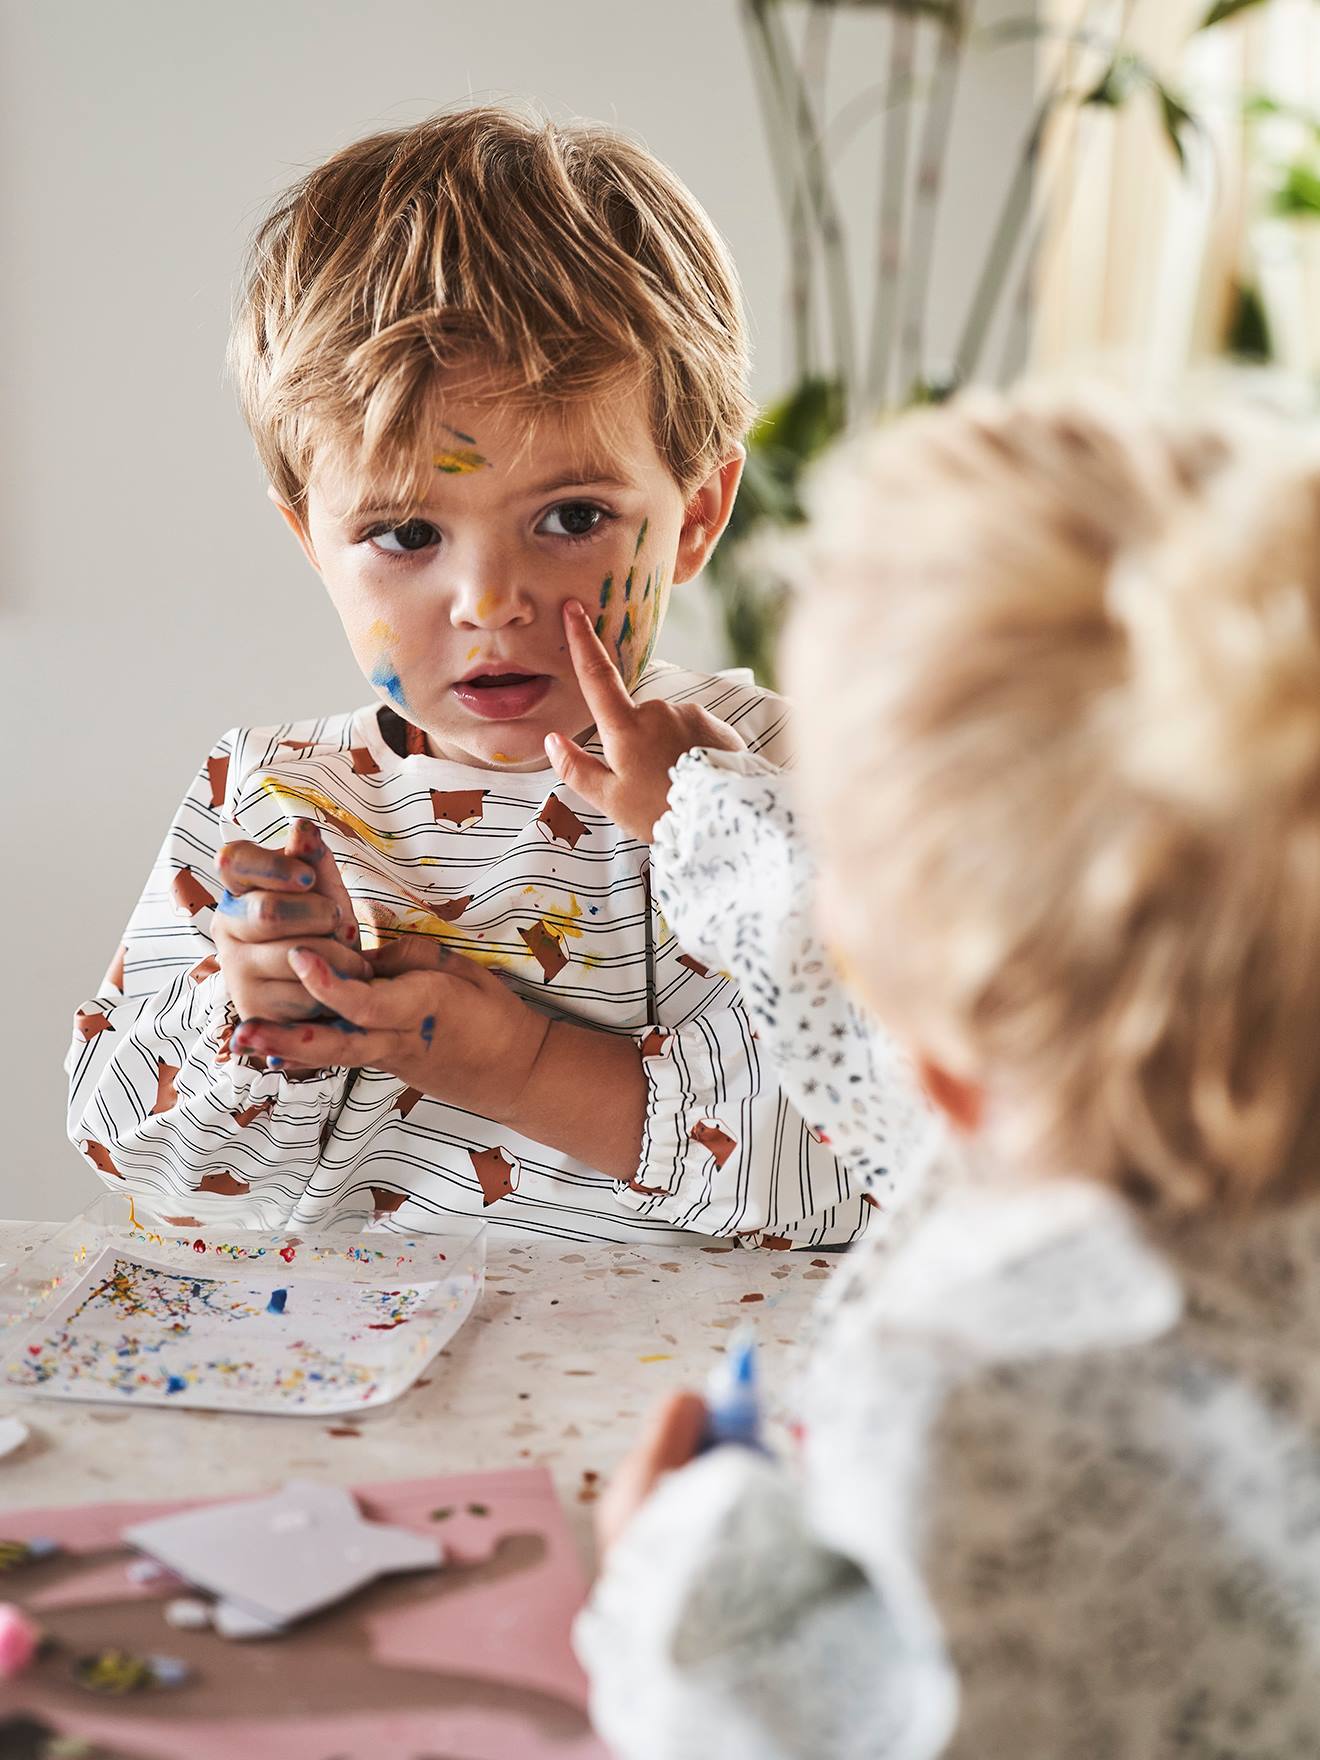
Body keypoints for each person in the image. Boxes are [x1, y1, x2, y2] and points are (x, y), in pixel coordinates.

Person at [576, 386, 1320, 1756]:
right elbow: (828, 971)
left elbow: (768, 1725)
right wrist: (700, 802)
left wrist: (667, 1564)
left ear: (951, 1069)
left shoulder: (957, 1393)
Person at [65, 104, 886, 1246]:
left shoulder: (790, 780)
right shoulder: (269, 806)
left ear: (696, 516)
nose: (490, 603)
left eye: (572, 516)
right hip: (367, 1351)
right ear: (313, 540)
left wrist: (524, 1060)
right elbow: (145, 1166)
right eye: (407, 533)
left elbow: (884, 1161)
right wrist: (259, 1018)